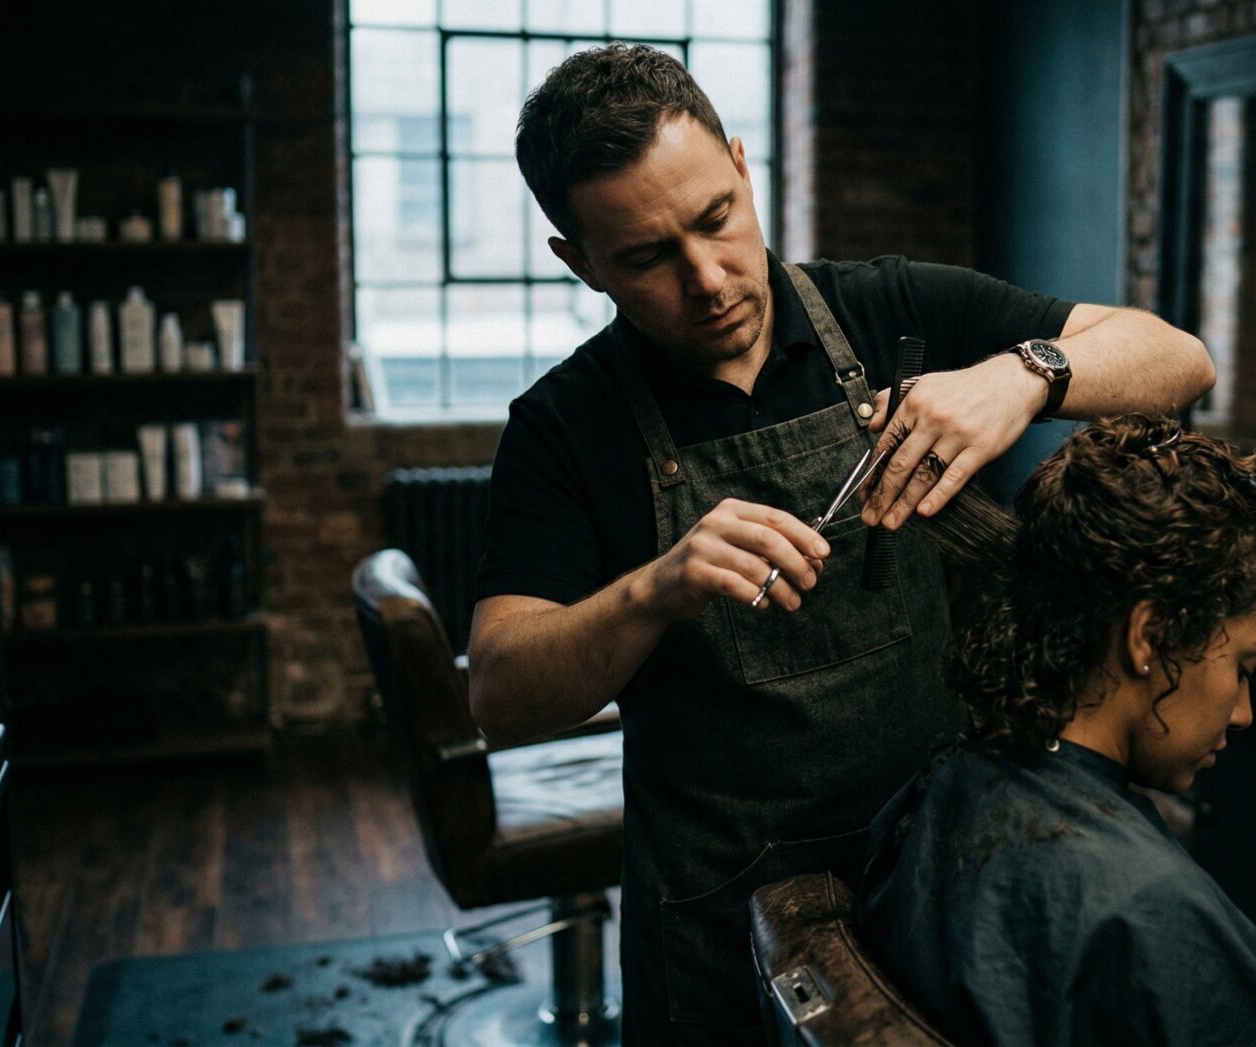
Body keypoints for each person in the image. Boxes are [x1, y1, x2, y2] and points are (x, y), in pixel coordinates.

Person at [465, 44, 1214, 1043]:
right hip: (718, 913)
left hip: (941, 870)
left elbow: (1180, 359)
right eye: (646, 258)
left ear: (740, 164)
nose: (708, 279)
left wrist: (1025, 374)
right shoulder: (567, 426)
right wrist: (652, 591)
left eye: (717, 219)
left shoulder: (886, 310)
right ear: (578, 260)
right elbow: (504, 694)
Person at [860, 415, 1256, 1046]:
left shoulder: (948, 783)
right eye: (1242, 668)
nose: (1244, 712)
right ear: (1149, 636)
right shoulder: (1140, 905)